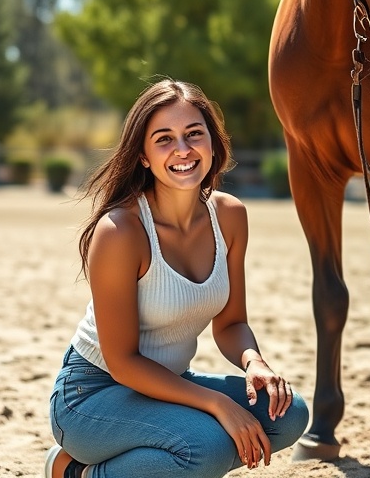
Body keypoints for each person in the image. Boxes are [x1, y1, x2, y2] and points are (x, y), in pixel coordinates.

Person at [43, 78, 309, 478]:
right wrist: (218, 404)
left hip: (168, 384)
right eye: (164, 139)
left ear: (212, 144)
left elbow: (232, 323)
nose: (183, 150)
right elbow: (123, 363)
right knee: (206, 446)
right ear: (144, 157)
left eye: (193, 134)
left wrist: (254, 362)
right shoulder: (121, 231)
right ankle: (74, 472)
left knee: (287, 414)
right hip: (93, 395)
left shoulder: (231, 216)